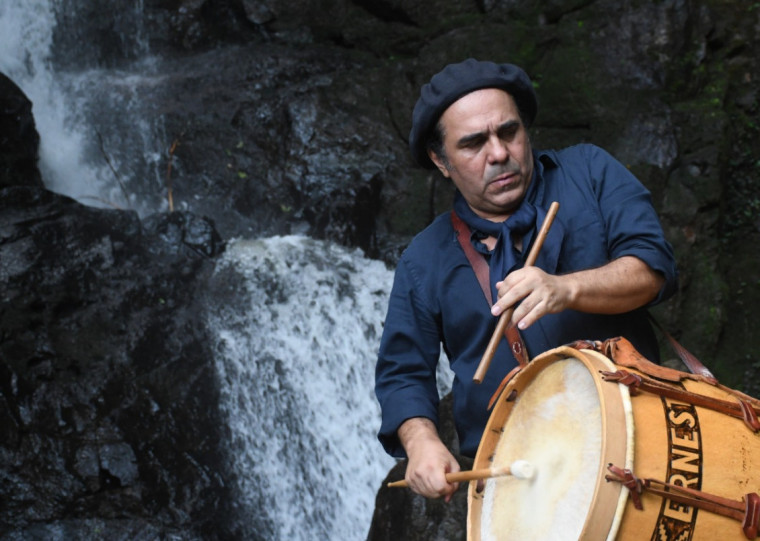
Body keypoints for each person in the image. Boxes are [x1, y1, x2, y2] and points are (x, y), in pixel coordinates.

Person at [374, 59, 678, 501]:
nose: (498, 153)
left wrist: (565, 288)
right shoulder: (423, 259)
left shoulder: (589, 172)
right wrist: (421, 441)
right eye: (474, 144)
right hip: (520, 482)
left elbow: (651, 269)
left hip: (637, 442)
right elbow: (402, 372)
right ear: (441, 161)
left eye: (509, 132)